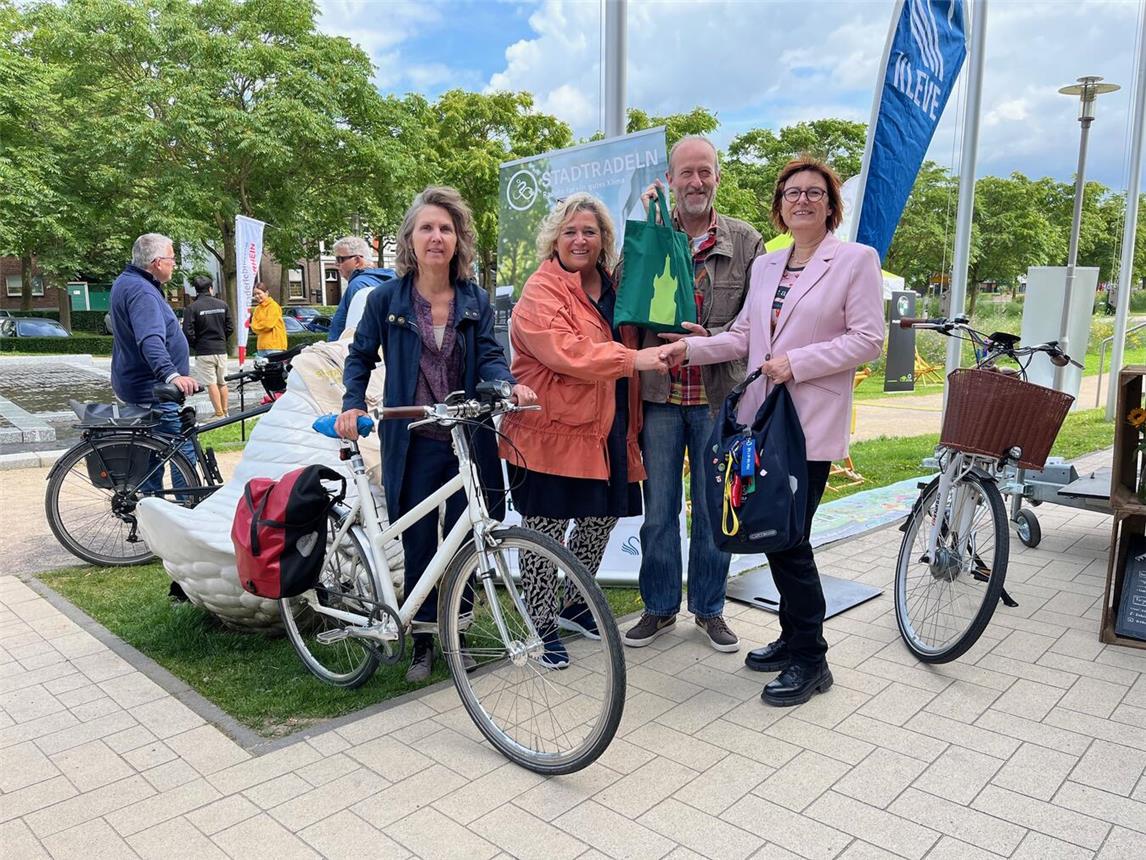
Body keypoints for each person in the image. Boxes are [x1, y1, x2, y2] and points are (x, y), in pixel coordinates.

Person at [660, 155, 884, 705]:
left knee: (791, 542)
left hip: (808, 426)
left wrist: (798, 362)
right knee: (778, 537)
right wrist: (690, 348)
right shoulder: (767, 266)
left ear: (831, 205)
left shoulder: (855, 260)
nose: (801, 200)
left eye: (814, 192)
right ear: (779, 206)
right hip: (761, 425)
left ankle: (812, 660)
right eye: (791, 193)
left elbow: (868, 339)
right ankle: (791, 639)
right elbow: (741, 337)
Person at [335, 186, 537, 683]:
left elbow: (490, 354)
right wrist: (352, 403)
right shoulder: (385, 299)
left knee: (469, 538)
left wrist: (507, 385)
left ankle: (459, 634)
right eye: (427, 227)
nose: (436, 236)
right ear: (410, 238)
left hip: (469, 436)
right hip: (412, 437)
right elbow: (359, 356)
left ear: (458, 239)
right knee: (422, 542)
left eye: (445, 228)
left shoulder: (475, 299)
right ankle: (424, 642)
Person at [499, 193, 667, 667]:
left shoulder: (616, 286)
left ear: (603, 239)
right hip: (548, 432)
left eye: (589, 231)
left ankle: (574, 602)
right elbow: (564, 352)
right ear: (555, 237)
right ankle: (542, 622)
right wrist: (633, 359)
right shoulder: (542, 288)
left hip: (608, 429)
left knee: (599, 523)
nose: (579, 239)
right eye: (570, 230)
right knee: (544, 532)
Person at [623, 136, 763, 654]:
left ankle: (709, 609)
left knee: (712, 510)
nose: (697, 182)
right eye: (687, 173)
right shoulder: (655, 232)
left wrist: (713, 345)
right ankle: (659, 607)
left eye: (705, 172)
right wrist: (647, 232)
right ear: (671, 178)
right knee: (659, 511)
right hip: (660, 398)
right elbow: (626, 294)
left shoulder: (747, 243)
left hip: (716, 399)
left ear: (717, 178)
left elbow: (761, 325)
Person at [108, 233, 198, 492]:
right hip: (151, 388)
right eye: (172, 259)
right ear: (158, 262)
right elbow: (149, 339)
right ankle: (186, 509)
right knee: (181, 448)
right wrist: (171, 375)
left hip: (136, 384)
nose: (175, 264)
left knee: (150, 454)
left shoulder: (128, 282)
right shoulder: (141, 291)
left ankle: (153, 509)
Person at [183, 274, 234, 417]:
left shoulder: (192, 308)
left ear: (196, 291)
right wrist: (222, 339)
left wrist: (196, 344)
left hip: (204, 351)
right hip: (221, 349)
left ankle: (218, 413)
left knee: (211, 383)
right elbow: (230, 327)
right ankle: (225, 411)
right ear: (211, 288)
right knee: (222, 382)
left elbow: (187, 331)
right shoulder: (222, 305)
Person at [326, 236, 395, 341]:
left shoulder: (358, 285)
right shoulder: (389, 281)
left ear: (357, 260)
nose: (336, 264)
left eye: (340, 259)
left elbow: (359, 334)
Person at [250, 283, 286, 355]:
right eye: (254, 294)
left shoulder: (273, 306)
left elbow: (268, 325)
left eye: (259, 293)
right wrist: (260, 325)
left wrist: (257, 326)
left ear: (266, 293)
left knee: (274, 366)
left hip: (275, 346)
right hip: (261, 346)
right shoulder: (257, 309)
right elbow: (253, 326)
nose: (257, 296)